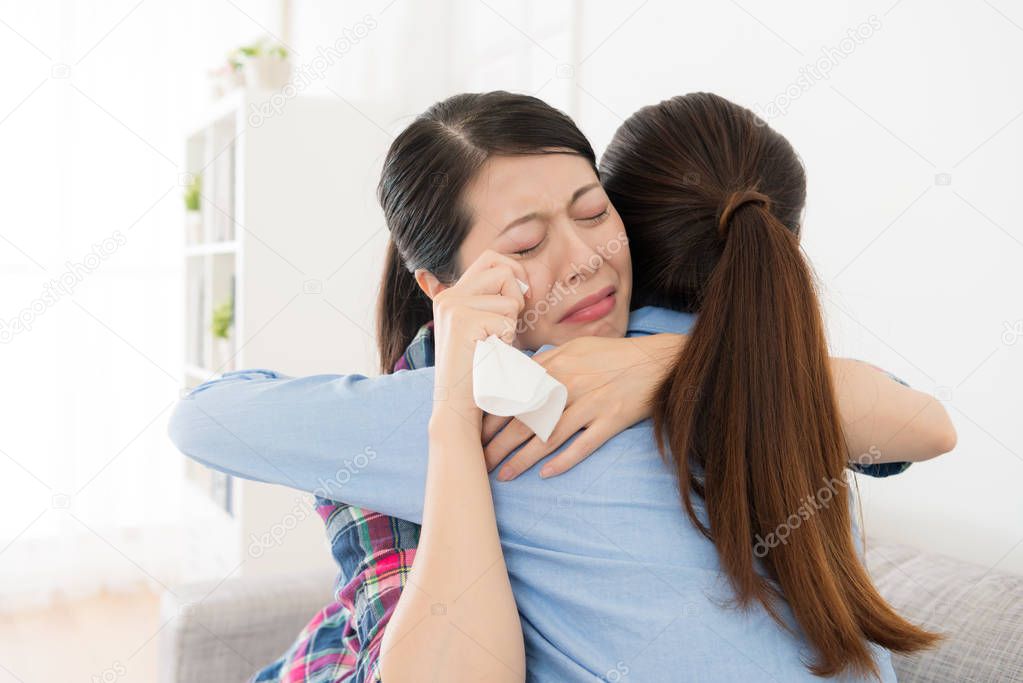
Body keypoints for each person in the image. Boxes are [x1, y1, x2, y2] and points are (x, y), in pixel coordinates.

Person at [169, 91, 954, 681]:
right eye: (527, 242)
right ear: (443, 283)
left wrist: (657, 367)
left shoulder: (519, 406)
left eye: (591, 212)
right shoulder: (778, 384)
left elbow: (205, 418)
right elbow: (923, 425)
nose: (581, 259)